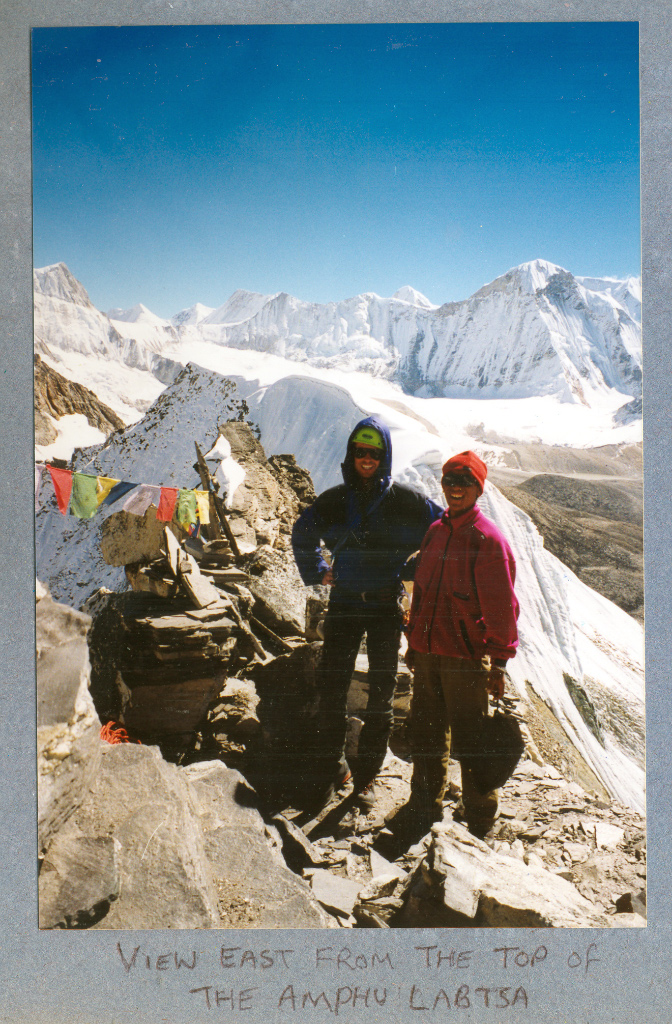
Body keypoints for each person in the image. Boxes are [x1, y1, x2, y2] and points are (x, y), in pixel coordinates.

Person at [292, 416, 443, 810]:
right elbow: (302, 531)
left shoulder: (406, 500)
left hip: (382, 607)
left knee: (381, 696)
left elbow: (444, 528)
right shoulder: (335, 499)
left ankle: (366, 778)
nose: (366, 459)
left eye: (374, 452)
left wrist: (414, 570)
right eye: (360, 451)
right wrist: (319, 570)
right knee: (332, 690)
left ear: (385, 456)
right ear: (350, 453)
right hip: (343, 602)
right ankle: (333, 768)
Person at [399, 449, 519, 841]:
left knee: (472, 739)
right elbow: (422, 593)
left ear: (478, 489)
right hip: (429, 654)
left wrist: (499, 664)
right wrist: (415, 642)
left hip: (466, 659)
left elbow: (502, 608)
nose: (455, 489)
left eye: (464, 483)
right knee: (427, 733)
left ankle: (481, 816)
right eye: (450, 481)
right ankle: (425, 805)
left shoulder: (488, 540)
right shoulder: (436, 532)